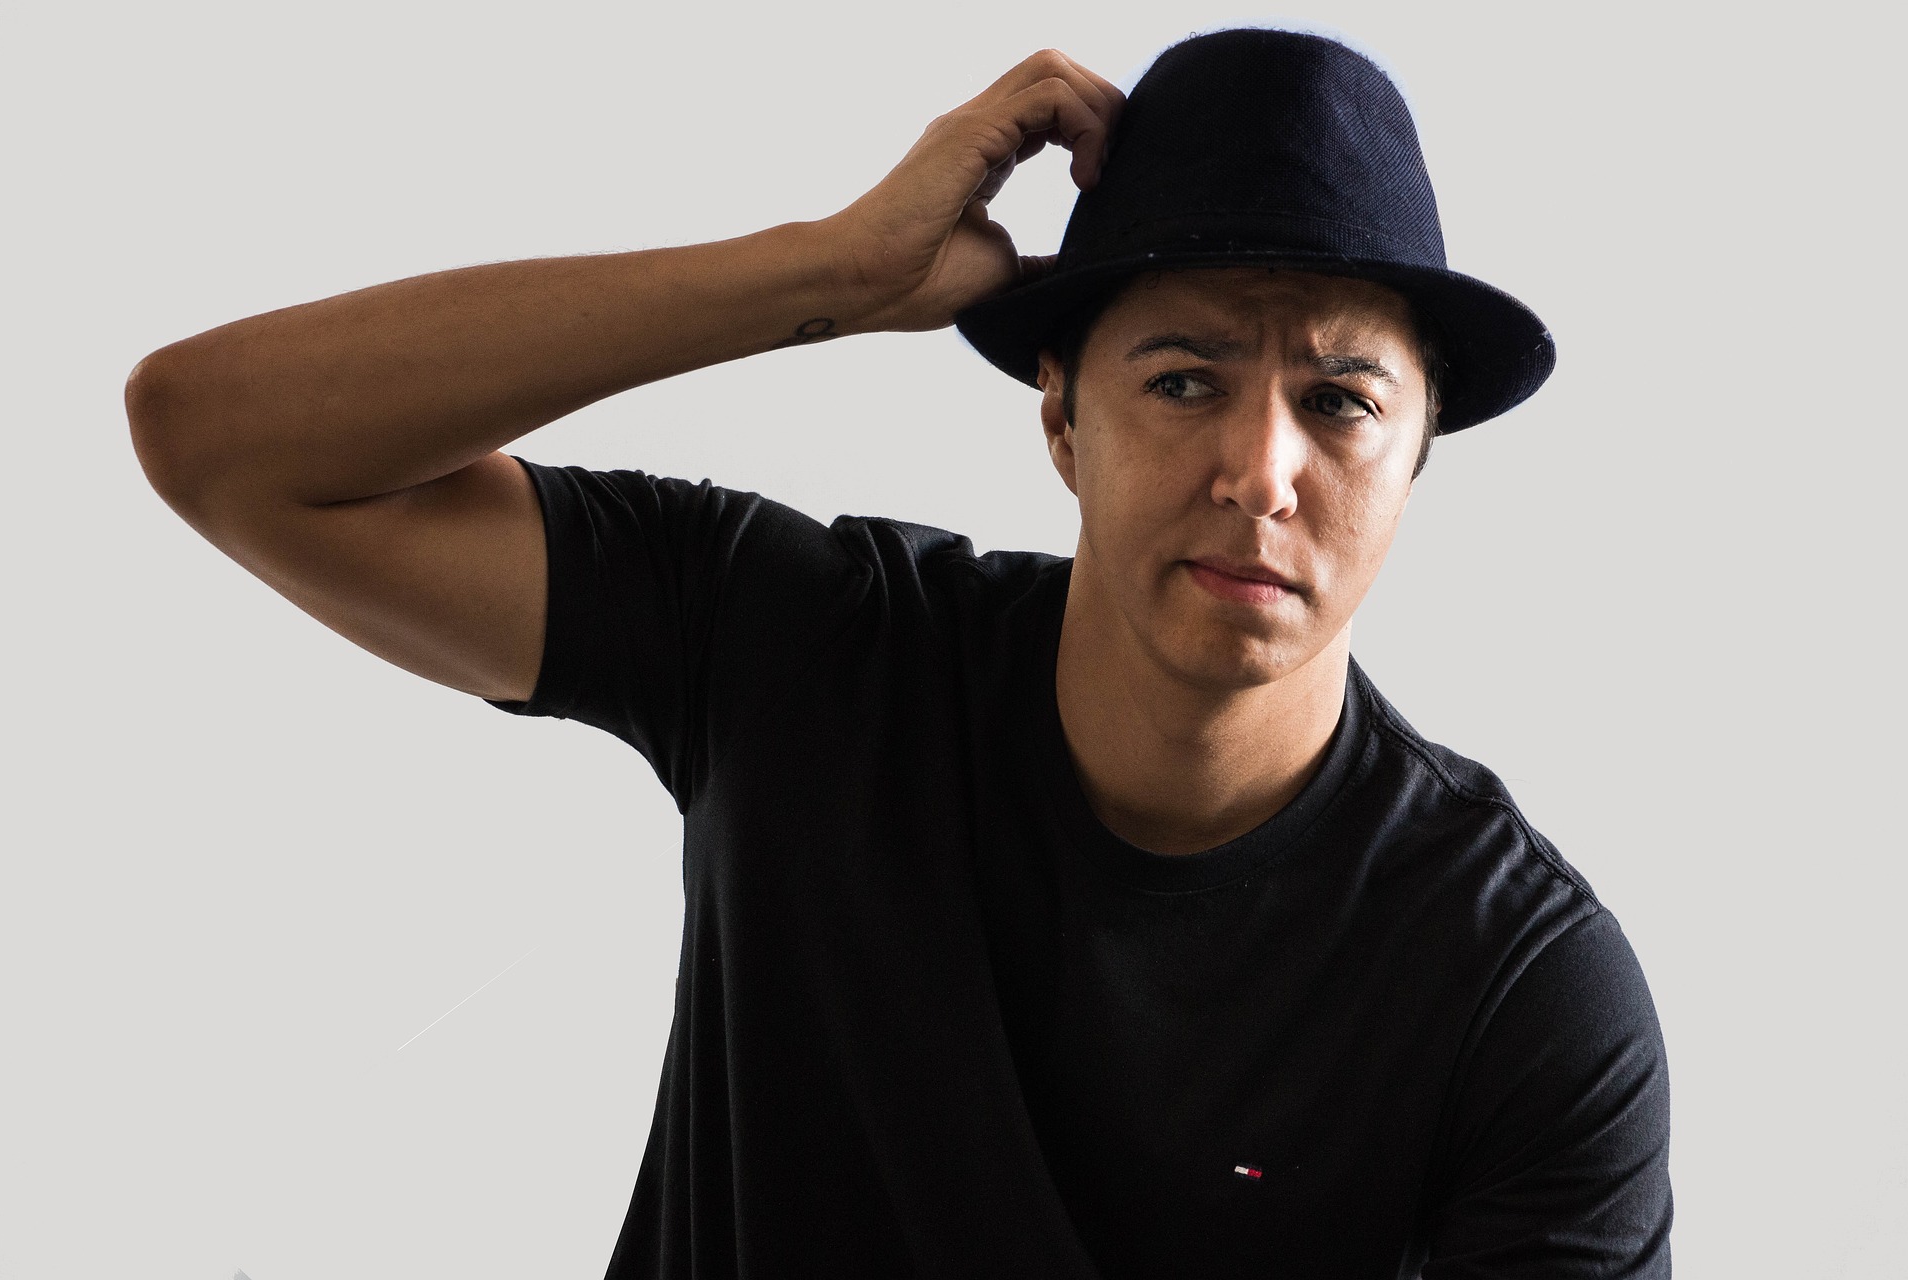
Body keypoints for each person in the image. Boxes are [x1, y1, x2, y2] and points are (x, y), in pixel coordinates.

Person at [126, 27, 1672, 1280]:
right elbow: (218, 440)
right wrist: (830, 273)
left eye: (1340, 403)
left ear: (1417, 461)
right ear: (1060, 418)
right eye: (1185, 380)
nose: (1261, 471)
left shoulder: (1517, 988)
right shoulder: (811, 651)